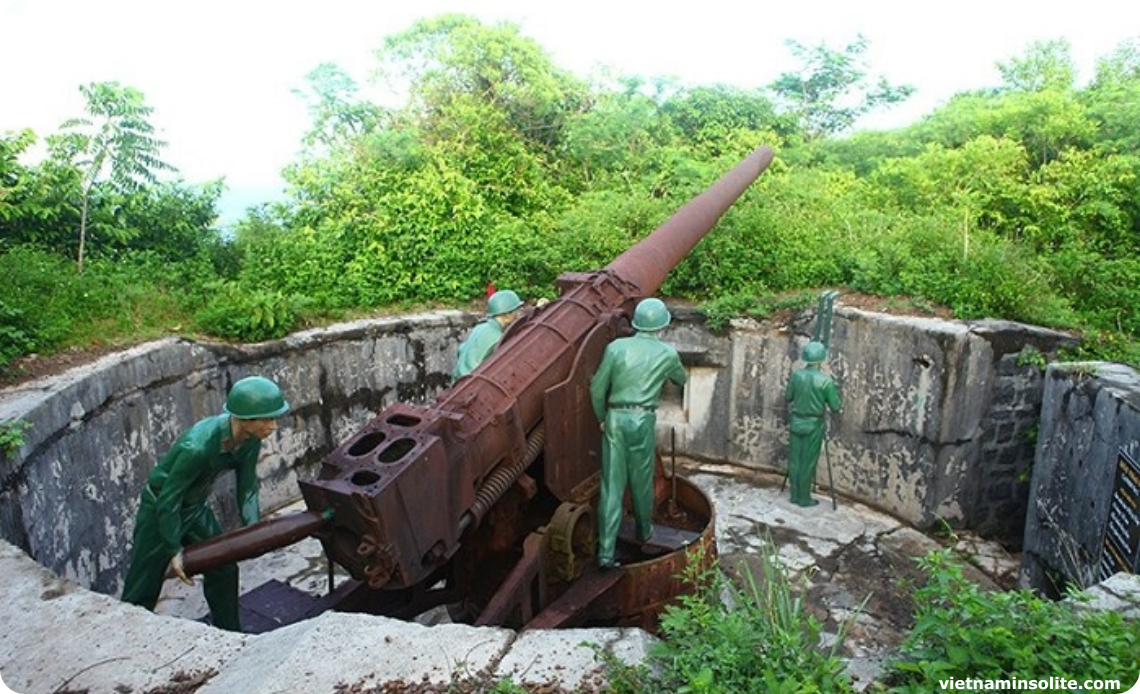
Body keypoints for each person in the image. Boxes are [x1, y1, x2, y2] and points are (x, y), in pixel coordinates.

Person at [120, 376, 290, 631]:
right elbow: (169, 499)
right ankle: (127, 634)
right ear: (244, 419)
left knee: (224, 569)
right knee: (144, 583)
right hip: (160, 510)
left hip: (195, 507)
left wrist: (254, 530)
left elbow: (247, 488)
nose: (273, 426)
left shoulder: (250, 441)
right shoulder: (197, 447)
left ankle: (229, 632)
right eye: (267, 419)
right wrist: (173, 549)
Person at [589, 298, 687, 570]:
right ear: (662, 326)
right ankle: (645, 532)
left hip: (615, 418)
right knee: (641, 480)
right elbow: (682, 379)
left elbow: (597, 389)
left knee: (611, 485)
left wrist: (602, 420)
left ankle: (606, 554)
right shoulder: (666, 354)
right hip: (642, 419)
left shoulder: (615, 348)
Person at [784, 341, 842, 507]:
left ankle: (794, 495)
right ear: (822, 359)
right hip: (813, 424)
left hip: (796, 421)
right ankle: (804, 498)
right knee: (808, 462)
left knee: (794, 460)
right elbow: (836, 406)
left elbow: (788, 397)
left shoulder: (796, 375)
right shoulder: (826, 381)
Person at [453, 289, 525, 380]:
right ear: (507, 314)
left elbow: (461, 349)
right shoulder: (497, 338)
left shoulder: (480, 327)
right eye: (516, 311)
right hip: (472, 385)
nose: (517, 315)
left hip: (457, 382)